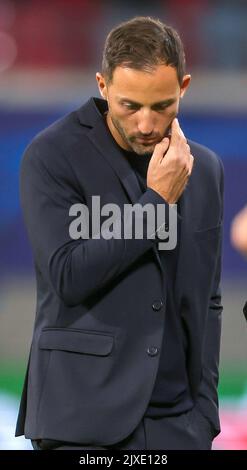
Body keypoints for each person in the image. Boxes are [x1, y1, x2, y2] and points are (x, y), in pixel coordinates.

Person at [16, 16, 224, 450]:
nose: (147, 124)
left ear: (183, 87)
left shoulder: (204, 170)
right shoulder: (52, 156)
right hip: (79, 424)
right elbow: (68, 276)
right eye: (130, 106)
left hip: (178, 425)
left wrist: (205, 412)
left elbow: (208, 299)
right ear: (103, 85)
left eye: (162, 105)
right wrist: (156, 203)